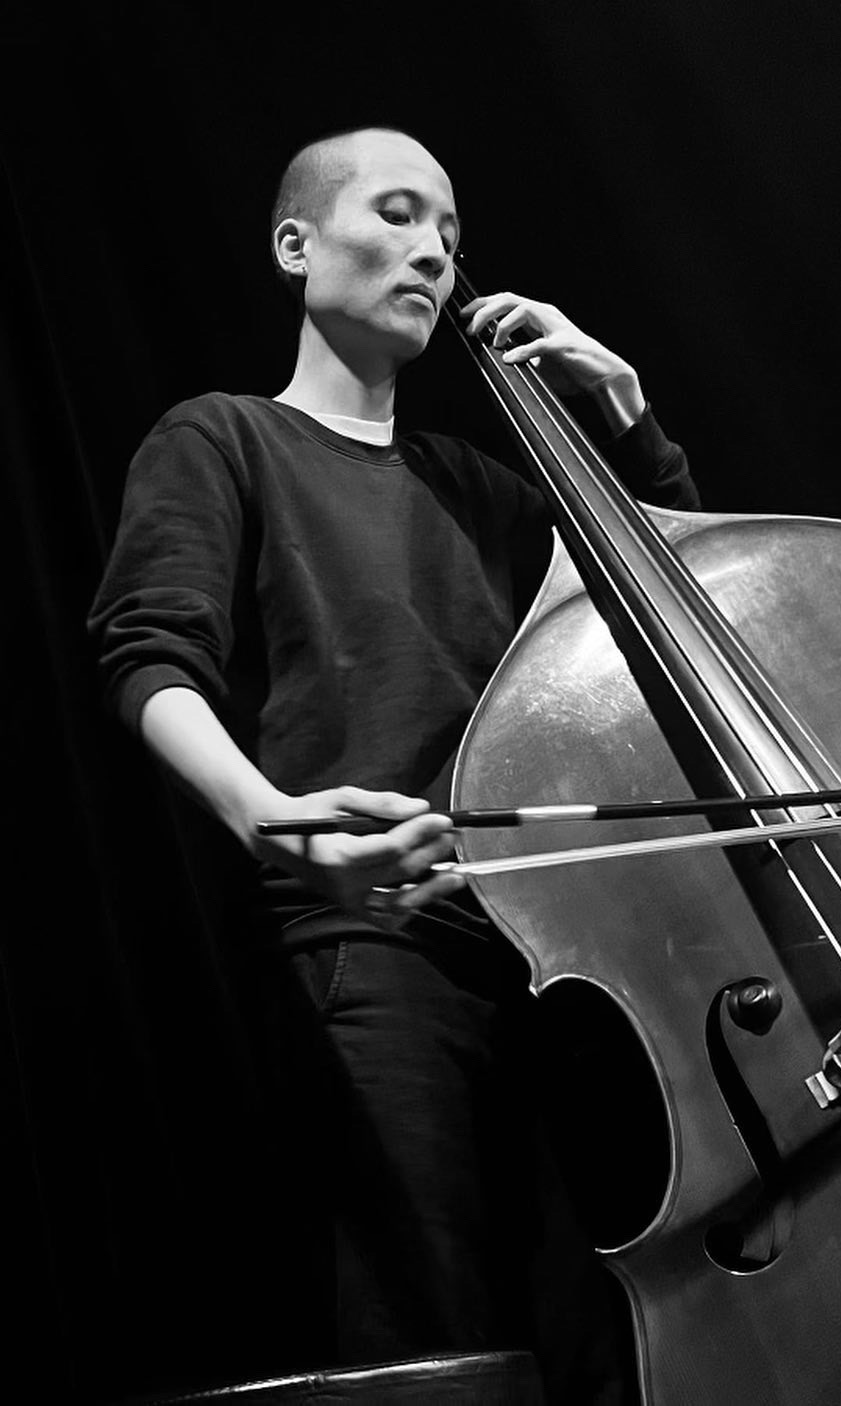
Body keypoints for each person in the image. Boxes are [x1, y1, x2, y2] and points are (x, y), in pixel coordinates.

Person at [88, 125, 698, 1400]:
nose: (436, 253)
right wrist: (269, 816)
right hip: (379, 940)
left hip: (562, 950)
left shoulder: (483, 487)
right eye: (400, 213)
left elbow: (685, 613)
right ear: (295, 244)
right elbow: (149, 654)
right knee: (436, 1335)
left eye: (452, 235)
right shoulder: (225, 437)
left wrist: (628, 420)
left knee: (619, 1335)